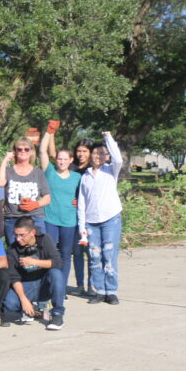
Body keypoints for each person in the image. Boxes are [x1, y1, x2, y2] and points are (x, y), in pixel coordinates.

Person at [79, 131, 124, 305]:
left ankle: (111, 291)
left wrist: (108, 138)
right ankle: (99, 291)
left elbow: (118, 158)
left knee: (109, 255)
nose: (98, 156)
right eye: (96, 153)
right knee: (94, 255)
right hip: (91, 222)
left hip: (110, 219)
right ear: (91, 156)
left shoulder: (111, 170)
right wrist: (82, 227)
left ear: (106, 156)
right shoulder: (85, 177)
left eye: (102, 153)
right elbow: (82, 205)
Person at [39, 122, 82, 295]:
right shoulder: (49, 171)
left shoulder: (77, 177)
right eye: (59, 158)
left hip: (69, 221)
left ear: (71, 160)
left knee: (65, 255)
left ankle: (61, 288)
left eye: (65, 159)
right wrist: (49, 132)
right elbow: (42, 151)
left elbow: (85, 196)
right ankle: (47, 286)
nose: (62, 161)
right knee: (50, 254)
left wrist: (78, 202)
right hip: (50, 219)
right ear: (55, 159)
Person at [3, 217, 65, 329]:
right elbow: (14, 278)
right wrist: (23, 300)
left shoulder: (45, 239)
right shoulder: (13, 249)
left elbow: (58, 263)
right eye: (16, 235)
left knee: (56, 274)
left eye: (22, 235)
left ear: (32, 232)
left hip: (45, 282)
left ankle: (57, 314)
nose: (18, 239)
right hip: (28, 285)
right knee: (10, 303)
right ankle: (32, 309)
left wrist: (34, 262)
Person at [0, 137, 51, 244]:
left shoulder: (38, 172)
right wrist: (5, 160)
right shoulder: (8, 171)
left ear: (31, 151)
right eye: (19, 149)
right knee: (14, 253)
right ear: (14, 152)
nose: (23, 151)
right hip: (13, 218)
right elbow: (0, 182)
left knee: (37, 251)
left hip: (34, 218)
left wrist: (35, 204)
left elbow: (47, 198)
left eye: (26, 149)